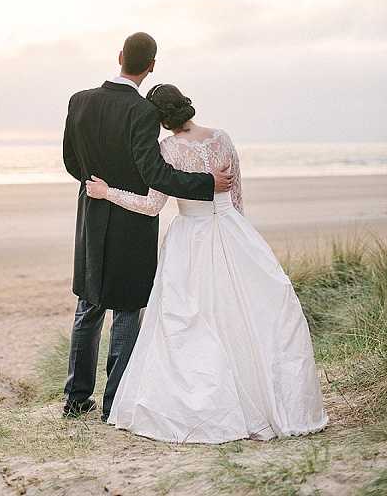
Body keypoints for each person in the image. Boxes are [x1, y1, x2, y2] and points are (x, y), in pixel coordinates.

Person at [85, 83, 328, 443]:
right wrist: (242, 241)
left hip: (192, 237)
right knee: (247, 316)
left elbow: (153, 206)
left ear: (159, 119)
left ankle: (209, 409)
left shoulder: (166, 148)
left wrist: (107, 193)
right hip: (232, 230)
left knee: (193, 320)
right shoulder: (222, 138)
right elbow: (238, 195)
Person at [62, 33, 233, 422]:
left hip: (92, 212)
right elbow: (154, 172)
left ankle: (75, 399)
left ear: (119, 56)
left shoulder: (79, 100)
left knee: (88, 304)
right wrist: (207, 183)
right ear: (152, 65)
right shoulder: (142, 112)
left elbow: (71, 162)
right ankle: (114, 403)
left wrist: (96, 185)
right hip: (132, 223)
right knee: (125, 310)